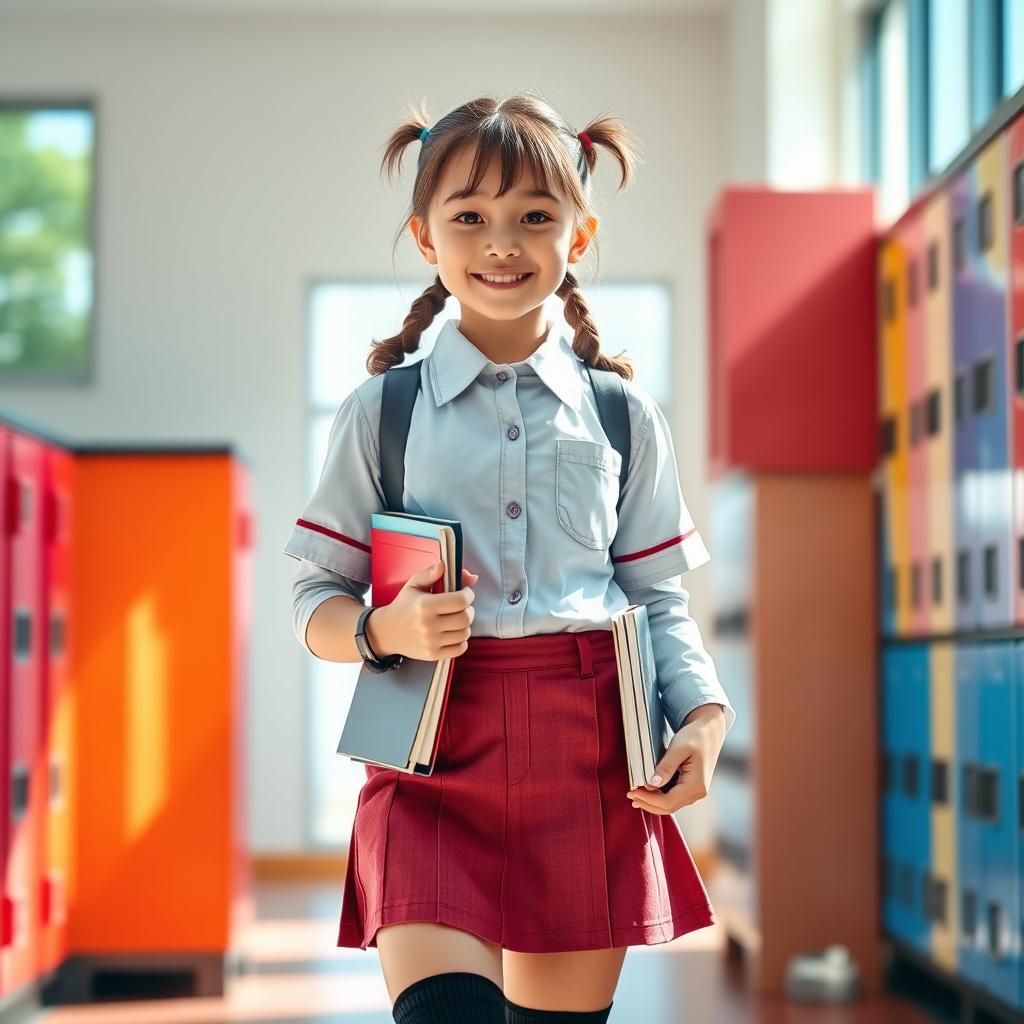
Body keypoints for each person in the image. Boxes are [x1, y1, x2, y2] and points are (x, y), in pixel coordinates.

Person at [283, 91, 737, 1024]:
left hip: (589, 756)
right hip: (431, 758)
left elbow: (655, 594)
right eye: (470, 218)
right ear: (426, 239)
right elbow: (311, 601)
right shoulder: (383, 412)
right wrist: (382, 629)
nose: (501, 242)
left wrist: (703, 714)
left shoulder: (621, 414)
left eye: (535, 216)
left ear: (578, 236)